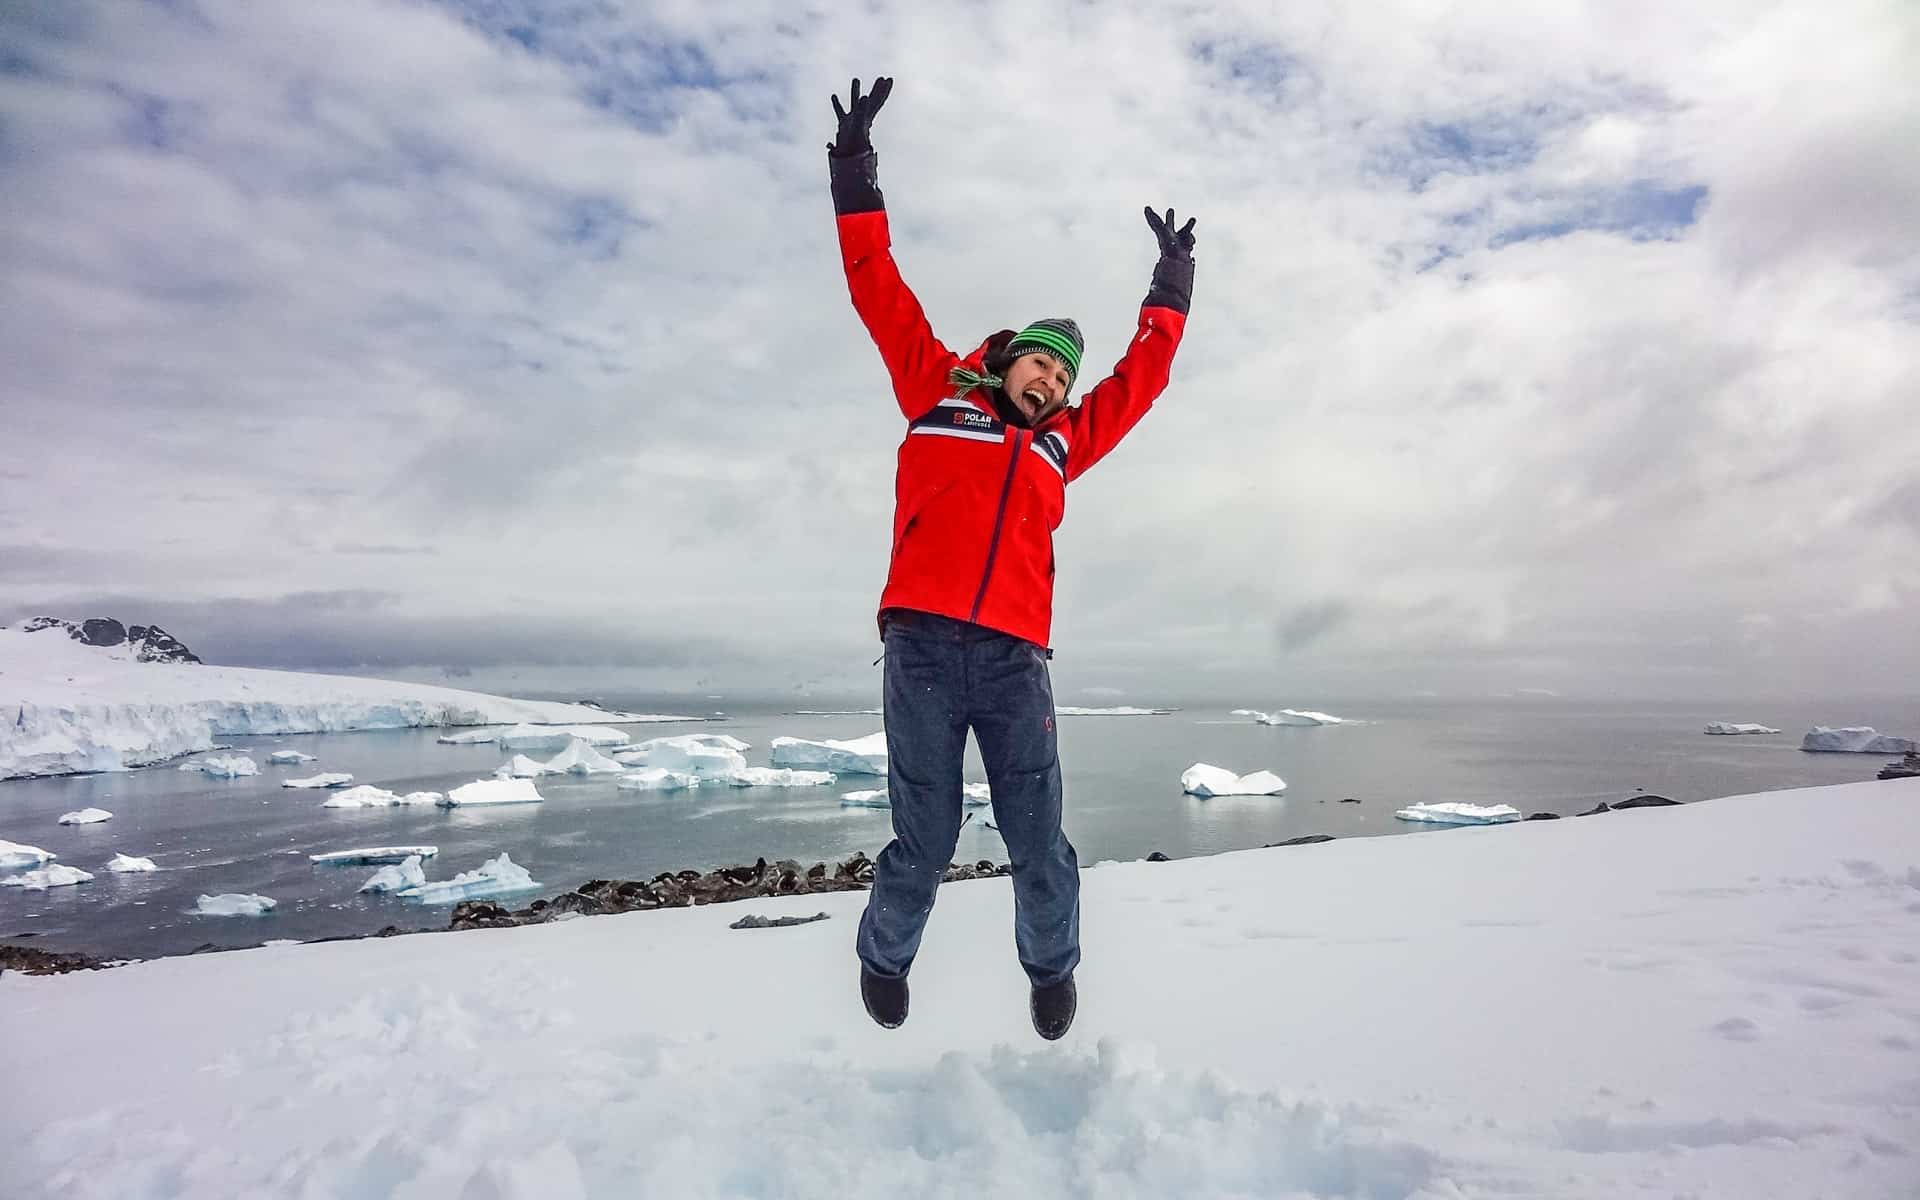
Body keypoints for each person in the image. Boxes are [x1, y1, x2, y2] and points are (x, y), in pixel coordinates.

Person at [828, 76, 1195, 1039]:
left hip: (1012, 659)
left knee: (1039, 841)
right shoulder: (936, 390)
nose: (1054, 378)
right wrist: (854, 172)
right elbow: (878, 286)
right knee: (927, 835)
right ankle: (884, 953)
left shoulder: (1065, 440)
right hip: (919, 647)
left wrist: (1169, 292)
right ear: (1009, 359)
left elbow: (1140, 381)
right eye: (1043, 361)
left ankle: (1052, 967)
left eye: (1065, 374)